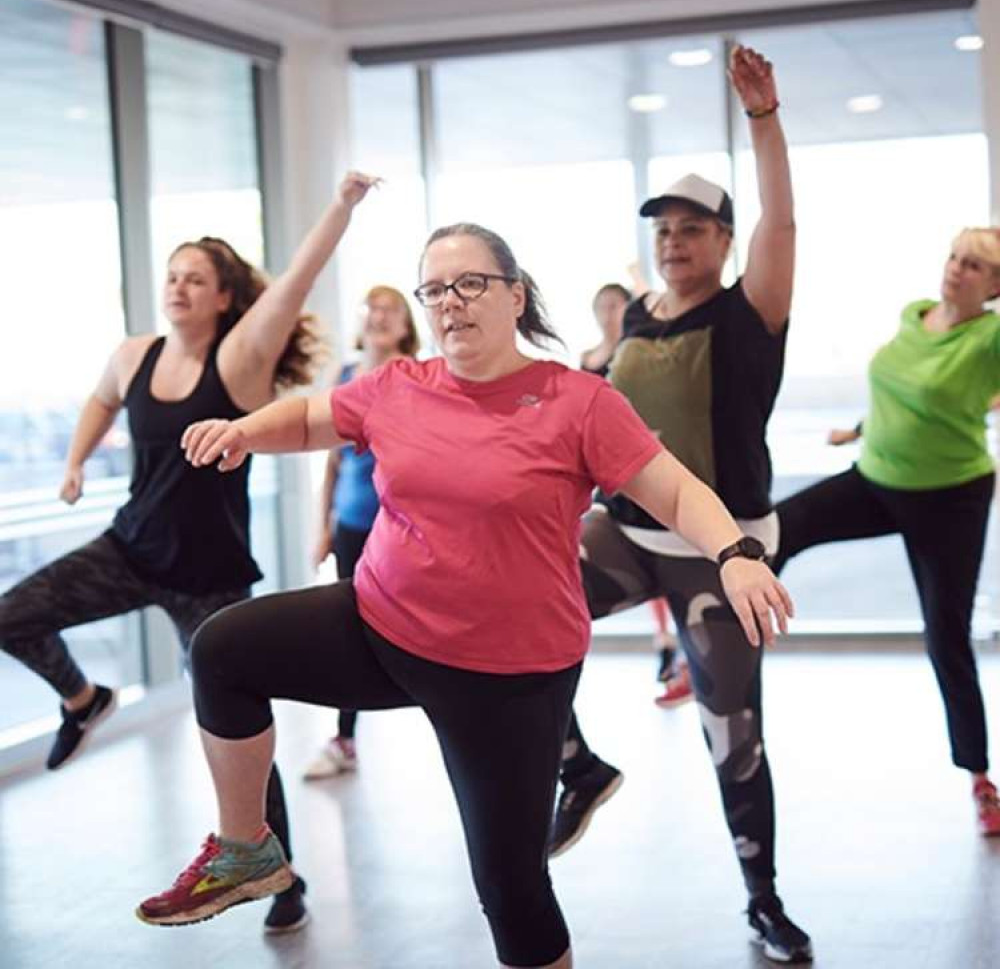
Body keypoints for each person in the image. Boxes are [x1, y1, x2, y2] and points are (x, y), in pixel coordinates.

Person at [134, 216, 793, 969]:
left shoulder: (576, 400)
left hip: (509, 676)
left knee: (511, 890)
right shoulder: (399, 386)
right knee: (222, 650)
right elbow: (317, 416)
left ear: (516, 297)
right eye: (435, 288)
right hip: (381, 625)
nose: (450, 300)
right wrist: (245, 430)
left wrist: (736, 553)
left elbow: (673, 490)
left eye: (471, 283)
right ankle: (247, 848)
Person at [0, 170, 380, 932]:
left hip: (209, 580)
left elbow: (295, 281)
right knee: (11, 615)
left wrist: (338, 206)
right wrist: (76, 461)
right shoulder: (133, 353)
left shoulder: (237, 361)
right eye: (172, 275)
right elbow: (102, 400)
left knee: (237, 739)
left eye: (194, 279)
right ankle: (85, 700)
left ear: (222, 299)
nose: (177, 287)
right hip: (130, 549)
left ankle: (285, 879)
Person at [548, 45, 813, 964]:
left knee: (732, 737)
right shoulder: (634, 321)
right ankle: (576, 766)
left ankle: (763, 901)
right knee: (510, 608)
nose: (675, 240)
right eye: (665, 228)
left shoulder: (750, 313)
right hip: (625, 533)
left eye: (695, 227)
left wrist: (764, 118)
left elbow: (783, 220)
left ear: (726, 242)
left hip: (723, 552)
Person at [774, 226, 1000, 838]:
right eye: (956, 256)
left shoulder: (990, 339)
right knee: (780, 526)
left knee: (945, 639)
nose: (958, 269)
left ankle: (980, 780)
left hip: (951, 500)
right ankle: (734, 642)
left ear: (996, 286)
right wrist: (859, 428)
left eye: (976, 266)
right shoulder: (913, 316)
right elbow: (902, 390)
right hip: (877, 478)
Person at [304, 285, 420, 780]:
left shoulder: (416, 375)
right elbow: (330, 464)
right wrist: (321, 529)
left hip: (404, 528)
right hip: (351, 524)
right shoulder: (344, 376)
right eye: (371, 307)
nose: (378, 316)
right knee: (349, 631)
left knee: (417, 624)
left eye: (390, 309)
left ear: (406, 323)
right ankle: (344, 738)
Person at [581, 280, 687, 701]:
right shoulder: (588, 360)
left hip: (640, 468)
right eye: (602, 305)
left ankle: (669, 642)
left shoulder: (639, 353)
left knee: (662, 559)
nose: (610, 313)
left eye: (616, 305)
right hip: (604, 488)